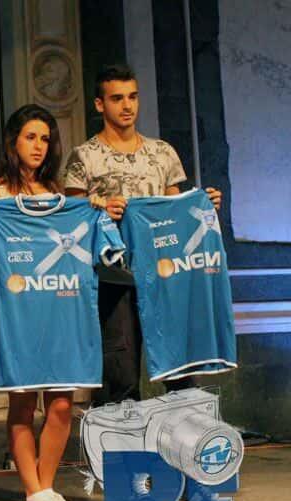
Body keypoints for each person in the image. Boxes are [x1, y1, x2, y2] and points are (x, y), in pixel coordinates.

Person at [63, 64, 222, 404]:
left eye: (133, 97)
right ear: (99, 104)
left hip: (163, 275)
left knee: (180, 372)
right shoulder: (84, 157)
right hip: (114, 279)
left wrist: (202, 208)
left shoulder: (162, 152)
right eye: (117, 98)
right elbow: (72, 223)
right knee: (119, 375)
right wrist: (99, 211)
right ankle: (118, 437)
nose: (127, 106)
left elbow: (174, 212)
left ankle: (183, 435)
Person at [0, 105, 84, 501]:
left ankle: (47, 488)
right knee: (21, 405)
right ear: (13, 142)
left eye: (45, 139)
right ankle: (33, 494)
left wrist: (94, 209)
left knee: (61, 405)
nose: (38, 146)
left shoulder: (59, 193)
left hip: (60, 311)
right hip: (17, 315)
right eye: (30, 137)